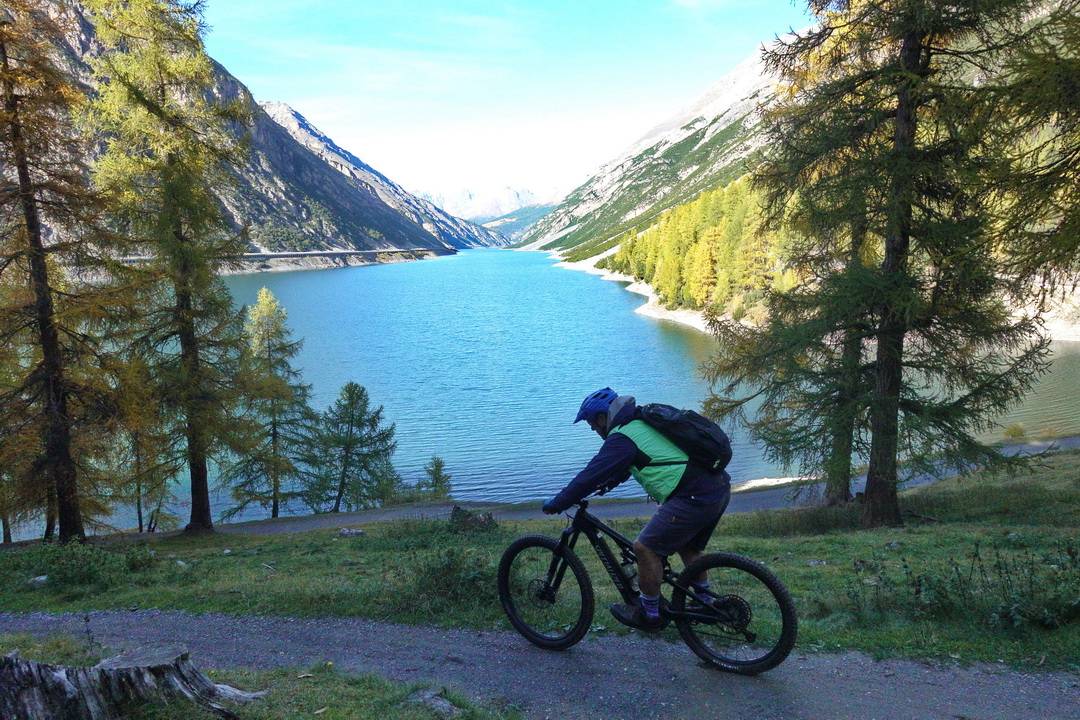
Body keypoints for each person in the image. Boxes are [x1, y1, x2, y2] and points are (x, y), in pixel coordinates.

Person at [542, 388, 730, 631]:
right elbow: (631, 464)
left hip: (694, 496)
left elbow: (591, 473)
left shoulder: (622, 437)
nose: (592, 429)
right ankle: (706, 603)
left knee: (645, 548)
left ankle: (649, 614)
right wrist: (607, 485)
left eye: (591, 422)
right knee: (688, 547)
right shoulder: (639, 422)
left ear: (602, 417)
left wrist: (560, 501)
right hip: (717, 486)